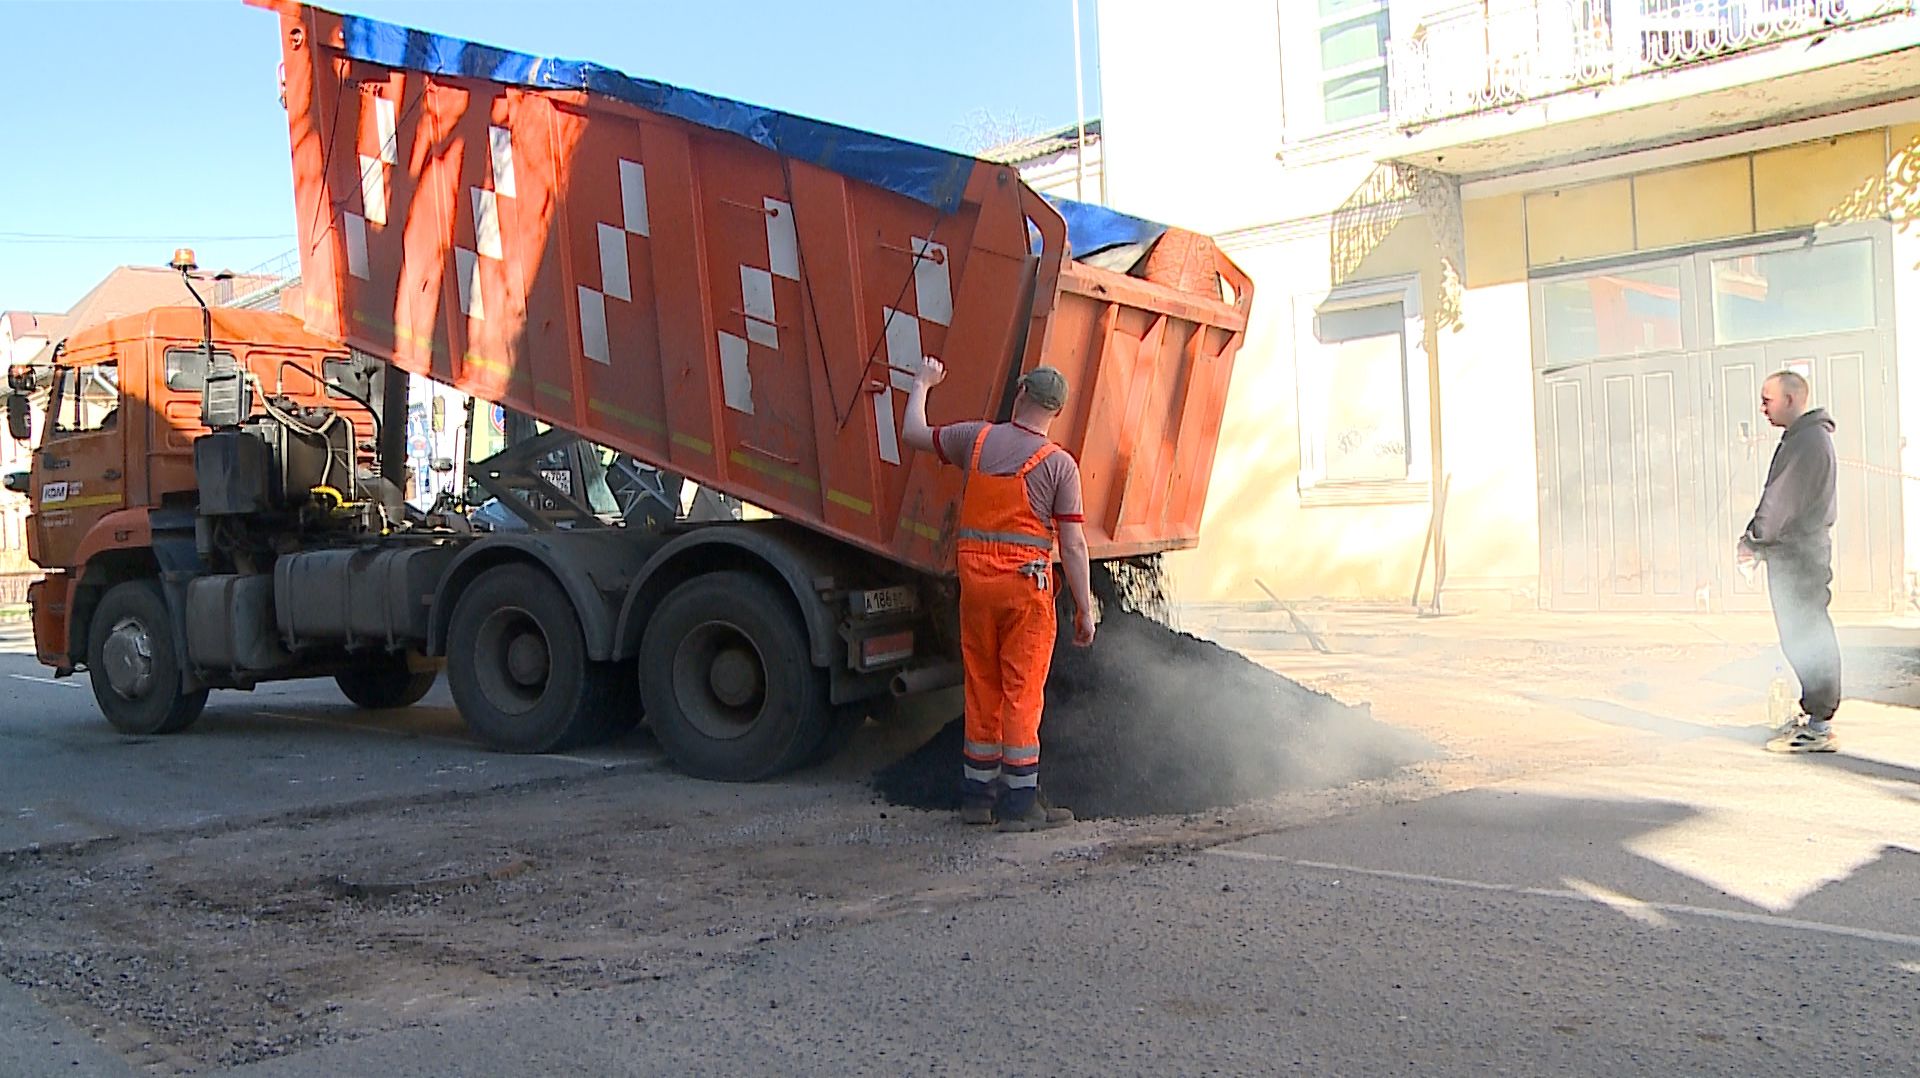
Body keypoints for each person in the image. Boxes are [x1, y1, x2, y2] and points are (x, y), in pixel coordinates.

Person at [902, 358, 1096, 831]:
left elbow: (914, 434)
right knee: (1022, 693)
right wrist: (1085, 609)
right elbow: (1071, 543)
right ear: (1057, 410)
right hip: (1025, 597)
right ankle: (1019, 805)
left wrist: (922, 383)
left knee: (983, 689)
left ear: (1022, 393)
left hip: (976, 593)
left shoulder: (977, 440)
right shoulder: (1059, 466)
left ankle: (977, 798)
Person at [1738, 370, 1841, 753]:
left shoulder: (1807, 443)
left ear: (1792, 400)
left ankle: (1819, 725)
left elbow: (1779, 502)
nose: (1762, 408)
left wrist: (1752, 541)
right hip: (1797, 552)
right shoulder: (1805, 439)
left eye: (1768, 400)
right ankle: (1815, 714)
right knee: (1799, 635)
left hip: (1800, 556)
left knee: (1807, 635)